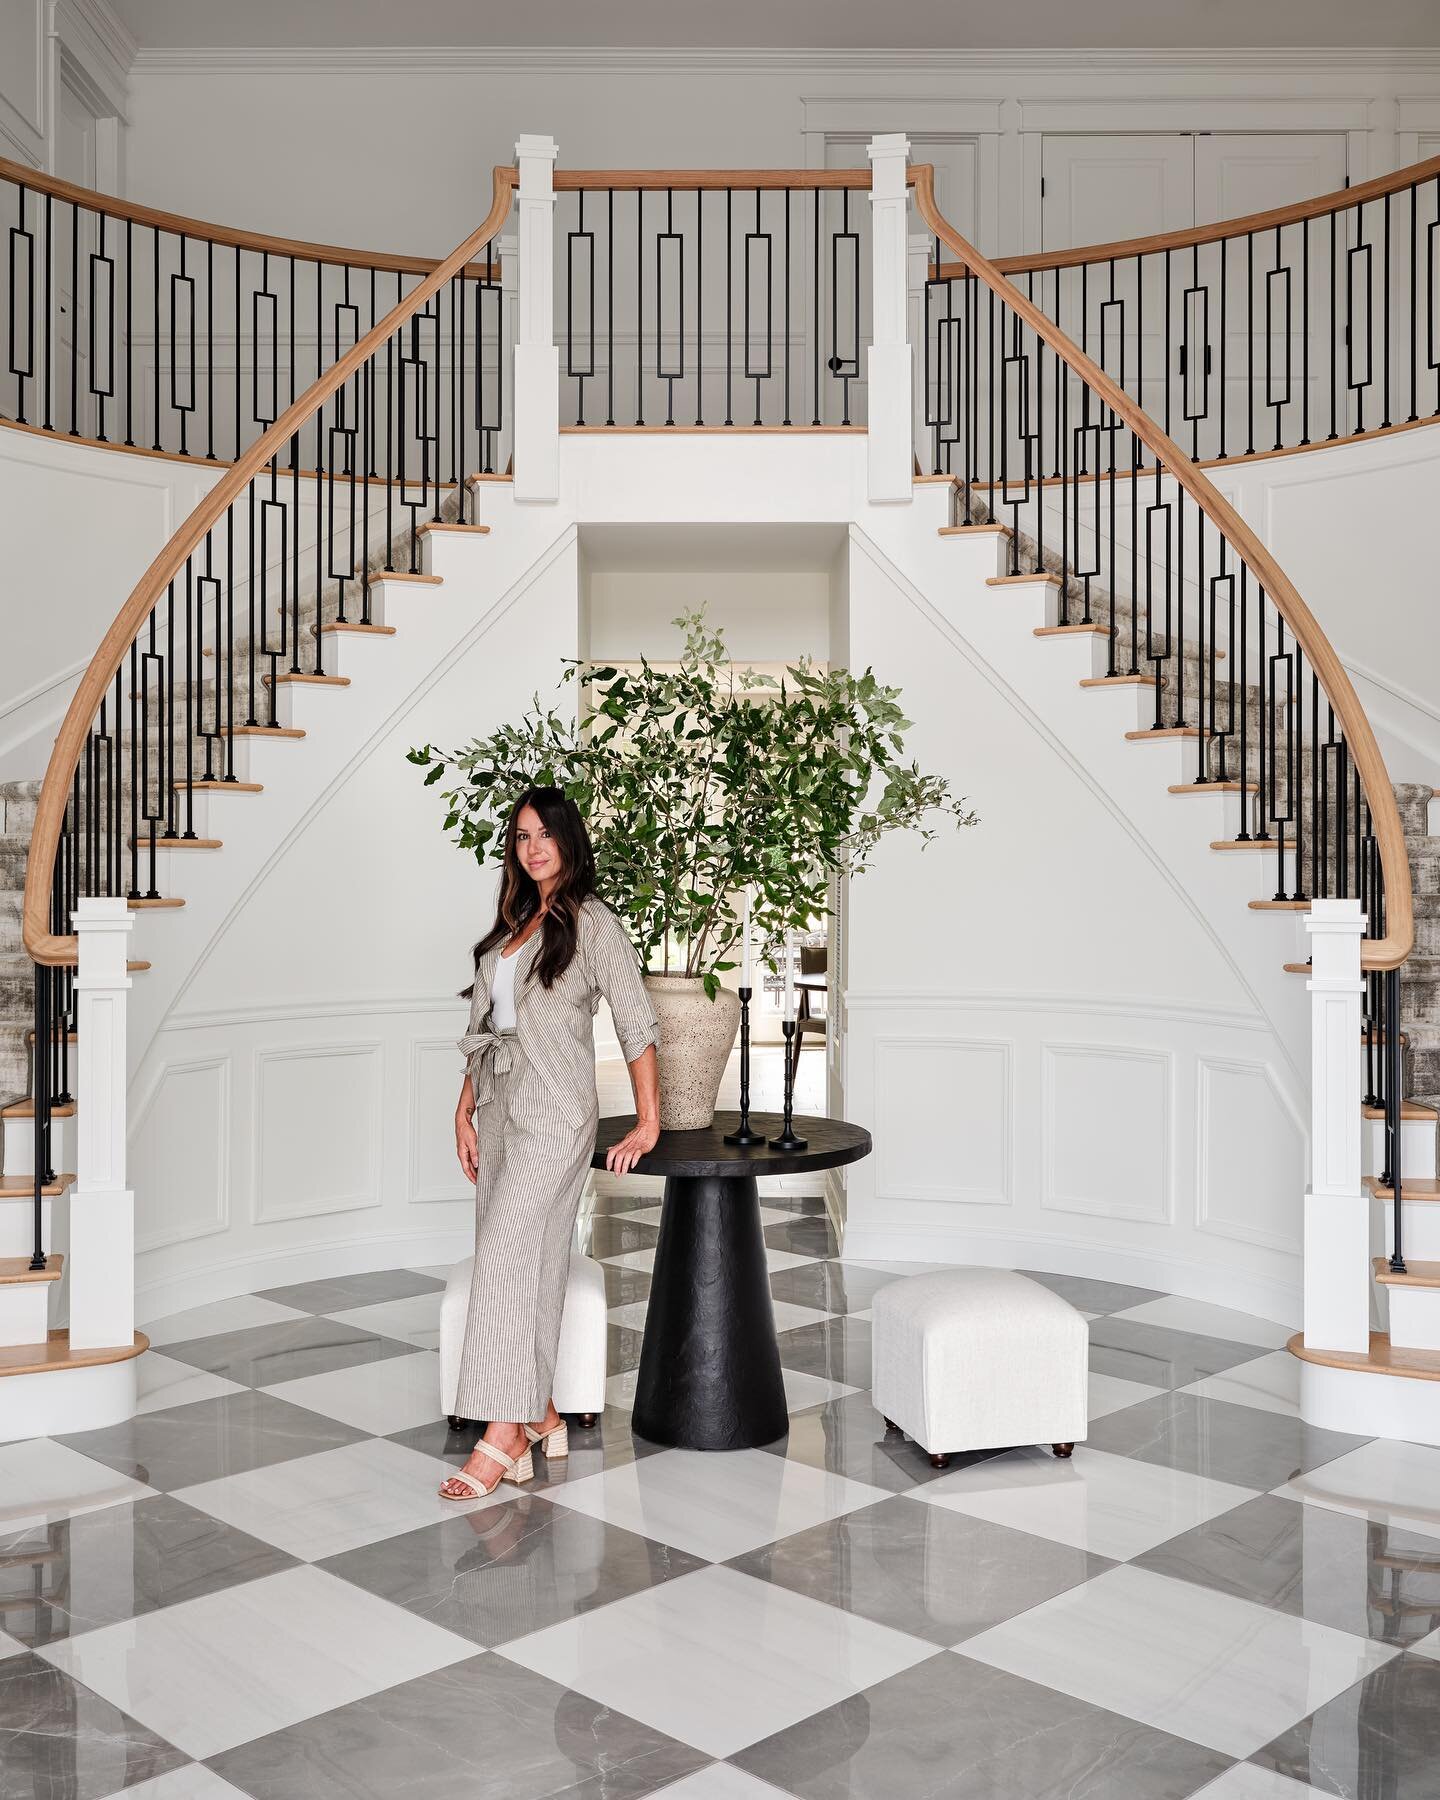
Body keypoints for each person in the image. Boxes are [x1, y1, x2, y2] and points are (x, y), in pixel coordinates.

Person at [438, 785, 661, 1500]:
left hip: (557, 1116)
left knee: (505, 1257)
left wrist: (647, 1118)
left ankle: (501, 1433)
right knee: (523, 1264)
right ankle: (539, 1415)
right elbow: (485, 1029)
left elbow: (637, 1021)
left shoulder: (592, 924)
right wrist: (464, 1108)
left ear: (569, 841)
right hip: (500, 1111)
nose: (532, 848)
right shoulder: (511, 926)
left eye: (545, 835)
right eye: (521, 835)